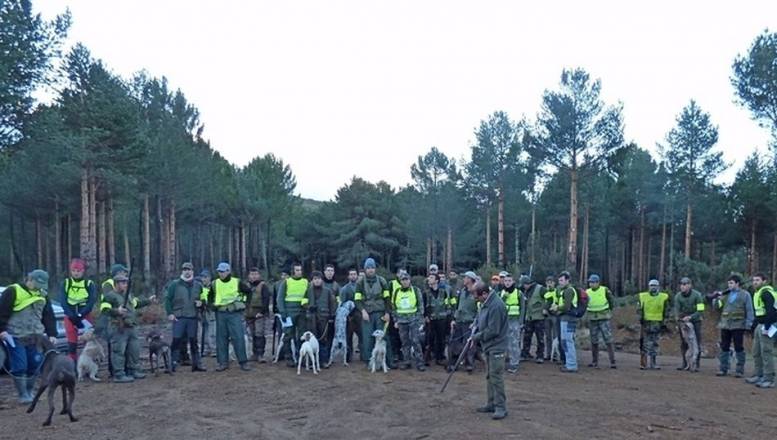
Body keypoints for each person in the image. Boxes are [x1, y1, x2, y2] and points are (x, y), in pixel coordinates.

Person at [0, 270, 57, 403]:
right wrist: (2, 330)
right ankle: (23, 395)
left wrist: (52, 333)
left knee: (34, 364)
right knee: (20, 365)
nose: (39, 288)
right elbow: (1, 312)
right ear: (29, 280)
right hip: (15, 335)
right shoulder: (13, 291)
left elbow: (48, 316)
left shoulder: (43, 295)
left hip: (36, 336)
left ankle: (30, 392)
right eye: (37, 284)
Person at [102, 273, 152, 382]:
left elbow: (136, 304)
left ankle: (133, 370)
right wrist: (117, 311)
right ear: (116, 284)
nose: (125, 285)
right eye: (123, 283)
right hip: (118, 327)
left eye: (126, 282)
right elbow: (104, 309)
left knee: (133, 350)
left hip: (131, 326)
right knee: (118, 351)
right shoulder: (110, 296)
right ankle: (119, 374)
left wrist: (148, 301)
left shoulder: (128, 295)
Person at [471, 281, 508, 420]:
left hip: (497, 345)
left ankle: (500, 407)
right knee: (489, 375)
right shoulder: (485, 303)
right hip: (489, 345)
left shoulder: (496, 306)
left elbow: (493, 330)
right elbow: (480, 318)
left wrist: (476, 337)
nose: (476, 300)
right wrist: (475, 325)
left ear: (485, 294)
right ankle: (491, 403)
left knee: (496, 376)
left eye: (477, 297)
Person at [208, 262, 252, 372]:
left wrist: (244, 304)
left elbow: (248, 292)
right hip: (221, 313)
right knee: (221, 339)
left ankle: (243, 362)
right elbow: (210, 297)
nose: (220, 273)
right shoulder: (214, 283)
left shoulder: (236, 282)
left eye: (222, 271)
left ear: (228, 271)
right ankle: (223, 363)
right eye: (219, 271)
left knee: (238, 338)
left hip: (234, 313)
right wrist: (212, 306)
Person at [165, 262, 206, 372]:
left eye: (189, 269)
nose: (187, 272)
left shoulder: (198, 285)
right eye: (185, 269)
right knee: (176, 340)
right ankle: (172, 364)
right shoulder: (174, 284)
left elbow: (203, 299)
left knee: (193, 341)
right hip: (179, 317)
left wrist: (201, 303)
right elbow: (168, 299)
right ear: (182, 271)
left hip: (193, 316)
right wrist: (170, 313)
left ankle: (197, 364)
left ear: (193, 271)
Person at [355, 258, 393, 367]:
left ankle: (388, 362)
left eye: (372, 267)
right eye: (368, 268)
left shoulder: (382, 281)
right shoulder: (360, 282)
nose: (370, 270)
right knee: (367, 338)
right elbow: (357, 299)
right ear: (365, 269)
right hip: (367, 314)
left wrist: (387, 313)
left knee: (384, 337)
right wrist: (363, 311)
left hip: (380, 313)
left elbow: (387, 299)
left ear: (375, 269)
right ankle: (369, 362)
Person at [713, 274, 753, 378]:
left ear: (737, 283)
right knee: (724, 347)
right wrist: (717, 299)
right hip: (725, 324)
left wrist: (749, 323)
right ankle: (723, 368)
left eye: (731, 283)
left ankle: (739, 370)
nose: (729, 285)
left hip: (738, 324)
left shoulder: (745, 295)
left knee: (739, 347)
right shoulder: (725, 295)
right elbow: (717, 308)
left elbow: (749, 310)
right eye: (728, 283)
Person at [59, 258, 98, 361]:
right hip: (70, 316)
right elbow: (63, 301)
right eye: (73, 271)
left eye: (78, 271)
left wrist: (81, 315)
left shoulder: (89, 284)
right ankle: (73, 366)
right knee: (71, 344)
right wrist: (71, 315)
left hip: (85, 315)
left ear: (83, 271)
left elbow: (91, 301)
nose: (76, 273)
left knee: (89, 342)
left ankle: (89, 365)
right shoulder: (66, 283)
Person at [747, 273, 777, 388]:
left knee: (766, 351)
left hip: (768, 325)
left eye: (757, 280)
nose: (755, 282)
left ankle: (769, 379)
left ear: (764, 281)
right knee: (756, 351)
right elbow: (759, 312)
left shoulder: (766, 293)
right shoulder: (757, 293)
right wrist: (753, 326)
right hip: (760, 324)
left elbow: (770, 312)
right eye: (754, 280)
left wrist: (768, 327)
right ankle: (759, 375)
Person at [276, 263, 309, 367]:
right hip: (289, 312)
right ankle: (288, 357)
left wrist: (306, 307)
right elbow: (280, 298)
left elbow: (308, 295)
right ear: (293, 271)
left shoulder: (305, 282)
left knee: (302, 335)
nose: (299, 272)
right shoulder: (286, 282)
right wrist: (283, 312)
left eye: (300, 270)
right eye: (297, 270)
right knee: (288, 335)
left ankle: (302, 357)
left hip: (302, 312)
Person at [392, 272, 426, 371]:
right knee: (405, 342)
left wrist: (419, 320)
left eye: (407, 279)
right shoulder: (397, 292)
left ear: (410, 280)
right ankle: (407, 361)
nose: (405, 281)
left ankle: (420, 362)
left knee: (416, 341)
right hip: (401, 321)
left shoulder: (415, 290)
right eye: (403, 280)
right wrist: (395, 320)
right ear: (400, 281)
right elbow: (393, 307)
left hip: (413, 320)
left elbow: (420, 306)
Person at [448, 271, 479, 373]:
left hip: (469, 322)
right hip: (459, 320)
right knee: (455, 343)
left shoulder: (476, 292)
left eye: (465, 277)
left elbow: (480, 309)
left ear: (470, 279)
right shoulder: (462, 291)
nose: (463, 279)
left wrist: (475, 322)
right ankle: (454, 363)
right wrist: (454, 319)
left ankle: (469, 364)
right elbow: (457, 306)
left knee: (469, 343)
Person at [673, 277, 705, 372]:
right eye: (681, 284)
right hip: (683, 321)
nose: (682, 286)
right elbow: (676, 309)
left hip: (695, 320)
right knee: (684, 342)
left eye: (685, 284)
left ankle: (696, 364)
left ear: (690, 285)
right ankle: (685, 363)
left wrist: (691, 317)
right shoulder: (678, 296)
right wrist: (678, 319)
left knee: (696, 341)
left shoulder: (697, 295)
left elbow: (701, 310)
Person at [637, 279, 671, 370]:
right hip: (646, 324)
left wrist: (665, 322)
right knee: (644, 344)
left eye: (655, 285)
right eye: (651, 285)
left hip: (657, 324)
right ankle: (643, 364)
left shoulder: (663, 297)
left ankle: (653, 363)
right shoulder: (642, 296)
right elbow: (639, 309)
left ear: (658, 287)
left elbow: (666, 311)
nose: (653, 287)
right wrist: (640, 319)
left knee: (655, 344)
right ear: (649, 286)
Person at [585, 274, 617, 369]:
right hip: (592, 318)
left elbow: (611, 301)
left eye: (593, 282)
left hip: (604, 317)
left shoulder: (604, 290)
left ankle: (613, 361)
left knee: (608, 339)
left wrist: (609, 310)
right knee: (594, 340)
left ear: (597, 282)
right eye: (590, 282)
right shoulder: (587, 292)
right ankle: (594, 361)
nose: (591, 284)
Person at [307, 271, 336, 366]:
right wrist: (308, 307)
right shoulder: (308, 291)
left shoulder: (328, 291)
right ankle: (312, 361)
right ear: (312, 280)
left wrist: (332, 316)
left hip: (324, 318)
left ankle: (324, 360)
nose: (317, 281)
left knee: (323, 339)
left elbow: (332, 304)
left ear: (322, 280)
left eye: (319, 279)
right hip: (312, 319)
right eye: (315, 279)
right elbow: (303, 301)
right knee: (312, 340)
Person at [552, 271, 579, 373]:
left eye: (562, 280)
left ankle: (571, 364)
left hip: (568, 318)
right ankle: (569, 363)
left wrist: (557, 307)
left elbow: (567, 306)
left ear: (567, 280)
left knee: (567, 341)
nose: (560, 282)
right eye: (559, 280)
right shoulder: (565, 290)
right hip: (565, 318)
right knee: (565, 341)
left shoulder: (568, 291)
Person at [520, 275, 550, 365]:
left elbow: (550, 298)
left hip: (539, 317)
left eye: (523, 284)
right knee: (526, 337)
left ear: (527, 283)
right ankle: (525, 354)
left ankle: (540, 355)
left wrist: (546, 308)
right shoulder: (525, 291)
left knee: (540, 338)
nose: (522, 286)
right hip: (529, 317)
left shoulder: (541, 289)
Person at [245, 268, 273, 363]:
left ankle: (261, 354)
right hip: (249, 314)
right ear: (249, 275)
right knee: (252, 334)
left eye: (255, 274)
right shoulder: (247, 286)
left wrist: (262, 312)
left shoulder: (263, 286)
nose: (253, 276)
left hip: (260, 313)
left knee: (259, 333)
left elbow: (266, 300)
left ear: (259, 275)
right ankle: (254, 354)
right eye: (252, 274)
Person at [425, 274, 452, 367]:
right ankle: (427, 358)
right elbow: (424, 306)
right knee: (429, 339)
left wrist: (449, 318)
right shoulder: (426, 293)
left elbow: (448, 305)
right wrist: (426, 316)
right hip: (430, 320)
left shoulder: (443, 292)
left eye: (431, 278)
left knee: (441, 339)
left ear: (437, 280)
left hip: (442, 319)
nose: (429, 279)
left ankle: (440, 358)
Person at [499, 274, 522, 373]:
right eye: (506, 281)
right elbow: (499, 305)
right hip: (504, 321)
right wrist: (504, 298)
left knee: (514, 342)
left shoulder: (518, 293)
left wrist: (521, 322)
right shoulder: (502, 293)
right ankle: (507, 360)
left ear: (513, 282)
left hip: (515, 320)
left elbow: (523, 307)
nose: (507, 283)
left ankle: (514, 363)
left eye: (509, 281)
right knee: (505, 342)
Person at [337, 268, 361, 362]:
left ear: (357, 276)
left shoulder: (361, 287)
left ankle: (364, 355)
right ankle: (348, 356)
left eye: (354, 274)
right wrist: (346, 316)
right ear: (348, 276)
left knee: (362, 335)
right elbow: (342, 304)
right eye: (351, 274)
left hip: (359, 315)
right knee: (348, 336)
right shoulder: (344, 289)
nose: (353, 276)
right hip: (349, 317)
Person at [198, 270, 216, 357]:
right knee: (203, 332)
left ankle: (214, 349)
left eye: (205, 277)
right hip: (203, 312)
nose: (203, 279)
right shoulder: (200, 287)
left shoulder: (214, 287)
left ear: (209, 278)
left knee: (212, 332)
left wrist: (207, 304)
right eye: (202, 277)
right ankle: (206, 349)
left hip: (211, 311)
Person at [543, 275, 560, 362]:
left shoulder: (557, 292)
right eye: (548, 282)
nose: (549, 284)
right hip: (547, 316)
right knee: (547, 336)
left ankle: (557, 355)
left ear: (554, 283)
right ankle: (548, 354)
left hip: (555, 315)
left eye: (551, 282)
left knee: (555, 335)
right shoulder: (545, 292)